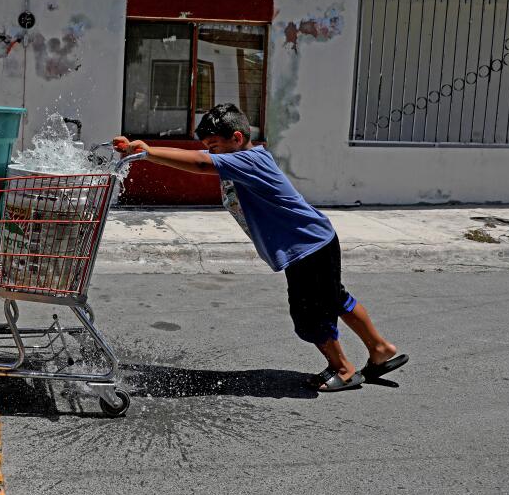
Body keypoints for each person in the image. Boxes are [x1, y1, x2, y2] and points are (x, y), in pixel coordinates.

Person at [113, 104, 408, 392]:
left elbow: (201, 163)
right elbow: (200, 155)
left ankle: (343, 370)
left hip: (307, 247)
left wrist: (148, 153)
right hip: (315, 241)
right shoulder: (244, 156)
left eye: (214, 145)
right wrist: (145, 149)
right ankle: (380, 349)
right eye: (208, 146)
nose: (210, 151)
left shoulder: (249, 160)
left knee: (311, 313)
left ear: (237, 139)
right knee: (334, 299)